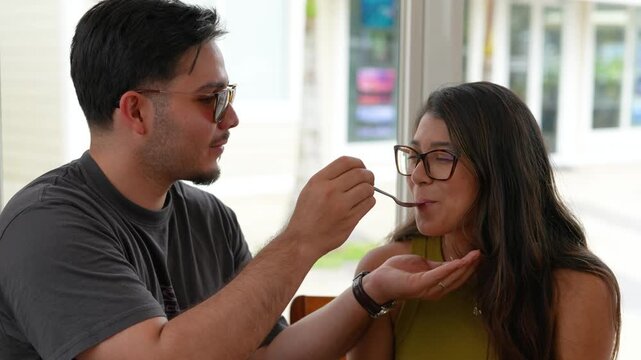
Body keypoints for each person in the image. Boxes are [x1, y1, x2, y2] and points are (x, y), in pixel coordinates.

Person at [0, 1, 482, 359]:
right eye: (210, 98)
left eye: (228, 94)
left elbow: (270, 354)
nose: (231, 117)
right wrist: (301, 240)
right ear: (136, 110)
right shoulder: (46, 226)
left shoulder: (209, 218)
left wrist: (370, 291)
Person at [347, 81, 622, 360]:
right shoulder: (383, 275)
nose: (417, 175)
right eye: (414, 156)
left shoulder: (579, 289)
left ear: (500, 171)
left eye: (442, 157)